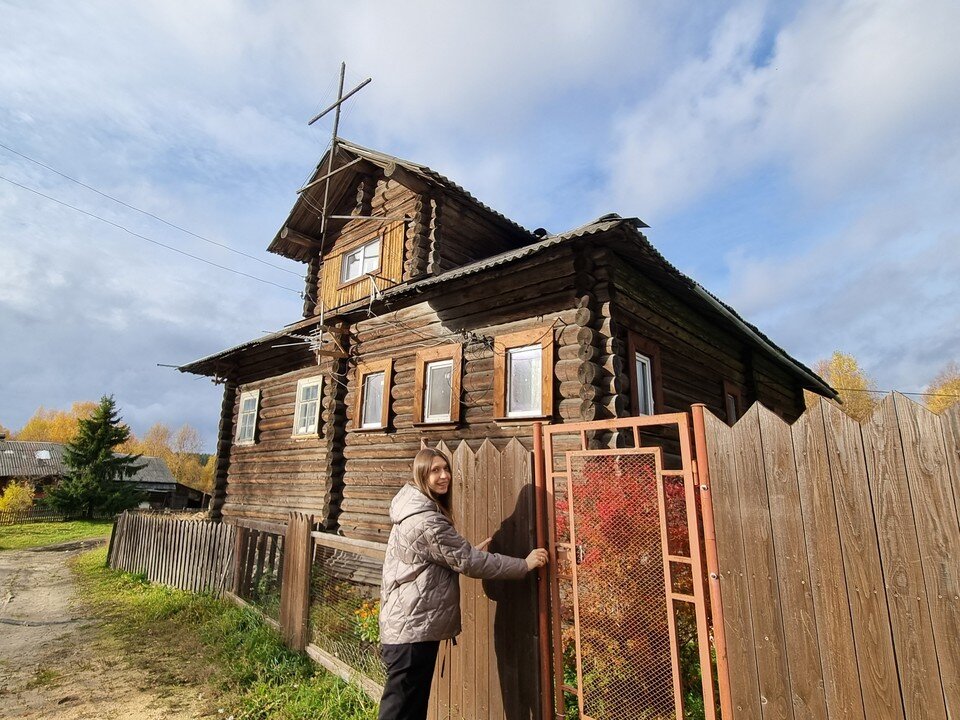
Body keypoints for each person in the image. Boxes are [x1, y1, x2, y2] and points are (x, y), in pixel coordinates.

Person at [377, 447, 548, 720]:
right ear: (422, 474)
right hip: (412, 628)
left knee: (409, 705)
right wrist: (524, 565)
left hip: (408, 623)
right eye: (435, 470)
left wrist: (467, 554)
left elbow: (440, 560)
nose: (444, 476)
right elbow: (470, 562)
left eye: (446, 469)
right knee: (401, 709)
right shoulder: (427, 521)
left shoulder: (414, 510)